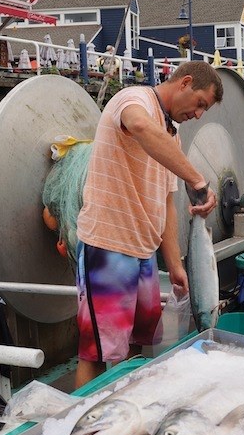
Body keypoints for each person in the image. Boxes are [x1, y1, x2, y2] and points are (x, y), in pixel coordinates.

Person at [74, 61, 223, 387]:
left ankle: (121, 413)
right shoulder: (133, 99)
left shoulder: (172, 134)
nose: (199, 115)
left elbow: (166, 201)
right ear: (184, 83)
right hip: (108, 247)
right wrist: (197, 179)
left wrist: (174, 264)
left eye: (205, 111)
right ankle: (77, 426)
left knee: (136, 346)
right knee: (97, 351)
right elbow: (139, 126)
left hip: (144, 255)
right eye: (200, 104)